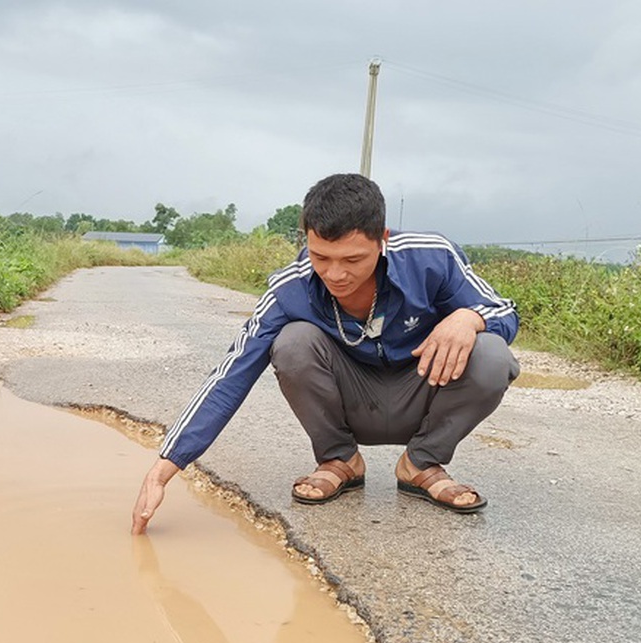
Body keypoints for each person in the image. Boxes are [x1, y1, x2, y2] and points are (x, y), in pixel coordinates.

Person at [132, 173, 519, 534]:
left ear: (381, 238)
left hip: (422, 393)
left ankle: (421, 463)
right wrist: (164, 468)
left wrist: (469, 318)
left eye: (352, 260)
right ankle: (341, 460)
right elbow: (231, 373)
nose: (335, 274)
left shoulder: (431, 256)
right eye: (321, 258)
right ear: (307, 241)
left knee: (490, 353)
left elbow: (504, 311)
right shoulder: (291, 287)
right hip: (352, 401)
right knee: (292, 342)